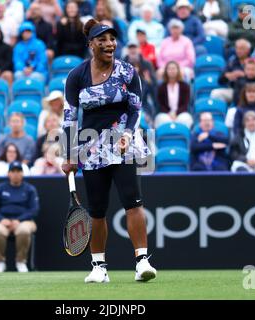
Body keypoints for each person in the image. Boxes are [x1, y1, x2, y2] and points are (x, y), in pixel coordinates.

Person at [62, 19, 157, 283]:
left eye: (112, 39)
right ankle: (99, 267)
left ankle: (142, 262)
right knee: (97, 210)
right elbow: (69, 117)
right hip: (91, 148)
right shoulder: (76, 76)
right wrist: (68, 154)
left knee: (132, 201)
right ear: (91, 44)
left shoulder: (128, 72)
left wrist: (127, 134)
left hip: (123, 142)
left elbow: (136, 109)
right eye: (102, 40)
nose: (109, 44)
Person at [0, 161, 39, 273]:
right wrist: (2, 219)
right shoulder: (0, 188)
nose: (16, 174)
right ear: (8, 174)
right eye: (13, 171)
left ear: (22, 173)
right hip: (2, 220)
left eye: (18, 171)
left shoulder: (29, 189)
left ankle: (21, 262)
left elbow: (34, 209)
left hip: (24, 220)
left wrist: (18, 220)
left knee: (24, 230)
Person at [124, 41, 158, 118]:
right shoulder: (122, 65)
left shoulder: (147, 64)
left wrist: (148, 81)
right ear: (127, 50)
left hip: (144, 101)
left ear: (139, 49)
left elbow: (154, 86)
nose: (132, 50)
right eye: (130, 48)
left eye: (134, 48)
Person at [211, 39, 251, 104]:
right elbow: (220, 80)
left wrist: (244, 75)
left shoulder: (253, 61)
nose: (238, 51)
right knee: (216, 93)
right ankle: (221, 113)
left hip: (250, 91)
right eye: (237, 48)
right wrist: (228, 76)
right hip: (234, 90)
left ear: (248, 50)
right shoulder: (232, 62)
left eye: (241, 48)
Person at [155, 61, 192, 128]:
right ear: (166, 71)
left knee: (186, 118)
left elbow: (185, 103)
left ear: (178, 70)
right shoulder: (161, 87)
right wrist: (169, 113)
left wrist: (176, 113)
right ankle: (159, 138)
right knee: (159, 119)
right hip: (166, 114)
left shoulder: (185, 86)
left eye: (174, 68)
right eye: (169, 69)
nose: (172, 71)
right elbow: (161, 104)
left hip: (181, 113)